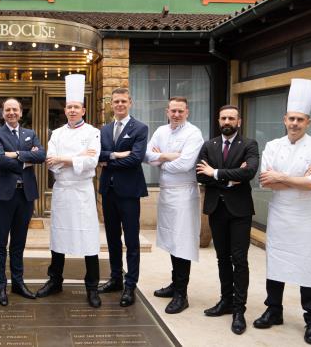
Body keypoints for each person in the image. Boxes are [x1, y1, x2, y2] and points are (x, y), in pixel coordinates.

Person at [254, 79, 311, 346]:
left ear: (308, 122)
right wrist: (298, 178)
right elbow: (265, 182)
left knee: (308, 269)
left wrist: (282, 177)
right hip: (279, 215)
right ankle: (274, 311)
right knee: (275, 265)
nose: (295, 123)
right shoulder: (273, 146)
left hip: (304, 217)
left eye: (300, 119)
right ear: (284, 119)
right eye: (291, 118)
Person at [36, 74, 102, 308]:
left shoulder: (93, 131)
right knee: (59, 238)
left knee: (89, 239)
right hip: (62, 191)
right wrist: (76, 159)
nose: (72, 110)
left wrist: (64, 159)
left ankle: (92, 287)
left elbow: (91, 162)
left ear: (83, 110)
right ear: (65, 110)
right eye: (69, 107)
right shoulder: (57, 133)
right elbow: (49, 162)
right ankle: (55, 280)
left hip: (83, 192)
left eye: (76, 107)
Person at [196, 105, 259, 334]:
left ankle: (239, 309)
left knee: (239, 259)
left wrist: (216, 173)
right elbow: (199, 174)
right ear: (218, 120)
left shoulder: (249, 144)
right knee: (222, 258)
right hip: (217, 209)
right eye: (223, 117)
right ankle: (226, 301)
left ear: (239, 121)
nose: (227, 121)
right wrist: (231, 179)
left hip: (240, 211)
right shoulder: (209, 145)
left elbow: (249, 172)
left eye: (231, 118)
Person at [145, 97, 204, 314]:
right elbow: (145, 155)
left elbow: (186, 164)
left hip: (184, 194)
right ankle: (174, 284)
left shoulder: (193, 133)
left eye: (180, 111)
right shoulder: (161, 131)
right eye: (173, 111)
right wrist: (168, 157)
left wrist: (160, 160)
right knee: (171, 241)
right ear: (167, 111)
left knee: (183, 243)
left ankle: (182, 294)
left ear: (187, 112)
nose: (176, 114)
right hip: (166, 194)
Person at [0, 97, 46, 306]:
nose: (11, 113)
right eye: (7, 110)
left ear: (21, 113)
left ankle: (18, 283)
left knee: (19, 243)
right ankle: (0, 286)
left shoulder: (30, 134)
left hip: (25, 195)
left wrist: (16, 154)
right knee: (0, 243)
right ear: (3, 113)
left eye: (15, 109)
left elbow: (42, 156)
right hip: (3, 195)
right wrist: (26, 158)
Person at [97, 87, 148, 307]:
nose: (119, 105)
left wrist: (109, 161)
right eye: (116, 101)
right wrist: (115, 154)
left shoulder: (140, 128)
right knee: (112, 238)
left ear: (130, 103)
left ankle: (130, 285)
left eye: (123, 101)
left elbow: (136, 159)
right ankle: (116, 278)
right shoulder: (105, 130)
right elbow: (97, 155)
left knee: (132, 240)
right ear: (111, 104)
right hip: (108, 191)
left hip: (129, 192)